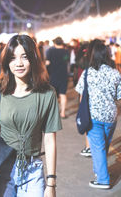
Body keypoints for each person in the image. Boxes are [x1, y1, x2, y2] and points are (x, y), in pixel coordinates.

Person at [0, 34, 62, 197]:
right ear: (6, 62)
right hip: (2, 170)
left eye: (24, 57)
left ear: (33, 59)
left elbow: (50, 138)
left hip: (33, 172)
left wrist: (51, 183)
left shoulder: (47, 93)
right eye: (13, 58)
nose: (19, 63)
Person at [75, 41, 121, 189]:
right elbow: (119, 96)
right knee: (103, 145)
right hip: (111, 115)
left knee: (98, 147)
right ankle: (99, 171)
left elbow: (82, 96)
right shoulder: (115, 73)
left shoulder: (88, 73)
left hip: (93, 115)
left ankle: (103, 179)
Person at [46, 36, 69, 119]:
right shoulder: (66, 51)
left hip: (53, 75)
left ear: (54, 43)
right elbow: (66, 60)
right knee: (63, 94)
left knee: (53, 94)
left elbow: (47, 62)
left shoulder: (50, 51)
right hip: (63, 75)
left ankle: (52, 114)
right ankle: (62, 113)